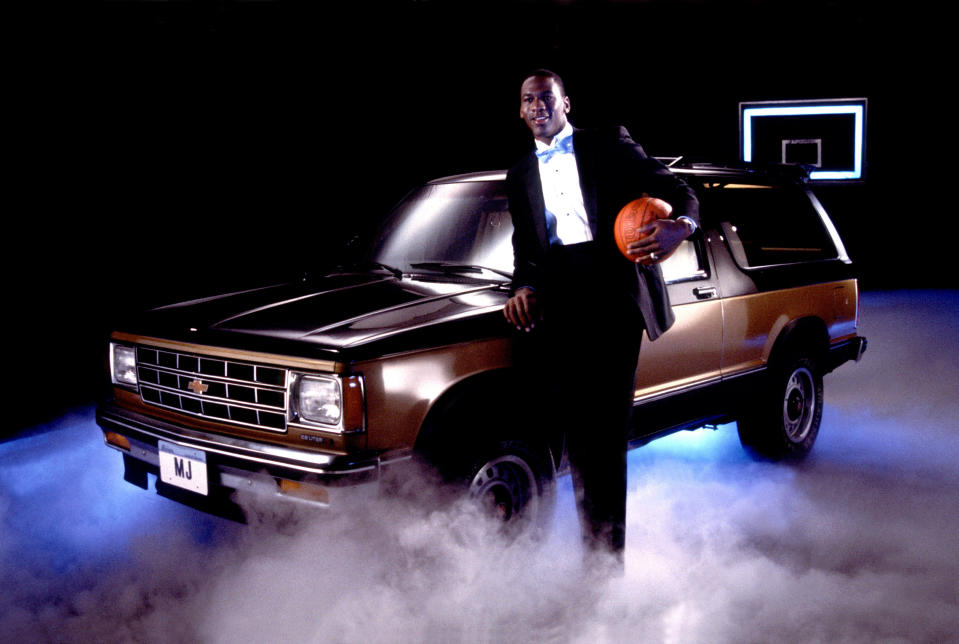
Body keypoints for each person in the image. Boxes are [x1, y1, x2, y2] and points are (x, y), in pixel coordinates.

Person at [503, 69, 699, 568]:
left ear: (566, 102)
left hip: (613, 294)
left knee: (603, 433)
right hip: (558, 301)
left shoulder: (609, 143)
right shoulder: (520, 172)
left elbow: (678, 189)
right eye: (529, 100)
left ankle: (606, 569)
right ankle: (587, 552)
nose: (538, 105)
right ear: (520, 111)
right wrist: (523, 286)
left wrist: (681, 227)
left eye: (546, 96)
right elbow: (527, 249)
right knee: (573, 432)